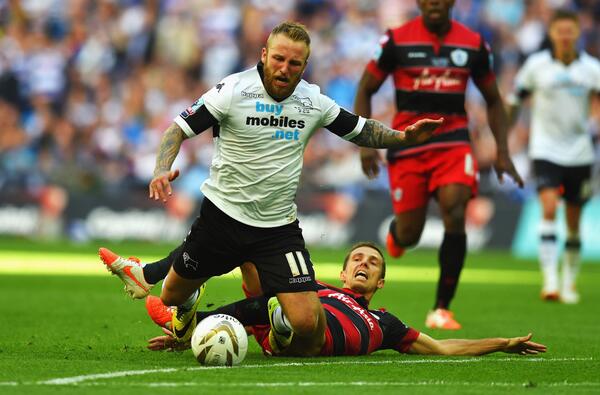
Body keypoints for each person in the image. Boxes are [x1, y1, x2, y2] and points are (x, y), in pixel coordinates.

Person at [99, 21, 443, 356]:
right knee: (171, 296)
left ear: (304, 66)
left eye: (294, 63)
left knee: (308, 322)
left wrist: (403, 137)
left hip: (277, 231)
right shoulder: (233, 89)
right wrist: (161, 168)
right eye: (278, 58)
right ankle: (183, 300)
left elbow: (360, 129)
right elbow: (178, 129)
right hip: (222, 218)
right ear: (264, 55)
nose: (284, 68)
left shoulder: (313, 102)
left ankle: (277, 320)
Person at [353, 0, 523, 330]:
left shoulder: (473, 43)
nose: (434, 3)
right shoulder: (396, 40)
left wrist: (502, 150)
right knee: (410, 233)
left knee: (455, 211)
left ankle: (442, 309)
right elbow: (365, 88)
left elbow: (493, 99)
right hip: (408, 143)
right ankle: (398, 238)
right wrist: (366, 142)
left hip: (454, 143)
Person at [145, 242, 547, 357]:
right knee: (255, 256)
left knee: (300, 309)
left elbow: (442, 347)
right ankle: (194, 318)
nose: (363, 264)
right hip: (296, 314)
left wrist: (502, 344)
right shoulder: (316, 287)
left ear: (381, 282)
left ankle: (274, 324)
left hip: (311, 335)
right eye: (356, 258)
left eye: (372, 263)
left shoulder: (386, 323)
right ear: (342, 272)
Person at [508, 9, 600, 304]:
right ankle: (549, 281)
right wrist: (503, 138)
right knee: (548, 207)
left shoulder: (591, 69)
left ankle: (569, 282)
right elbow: (515, 99)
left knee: (573, 221)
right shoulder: (537, 66)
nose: (564, 35)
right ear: (551, 33)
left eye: (569, 30)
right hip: (545, 149)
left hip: (580, 153)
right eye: (559, 30)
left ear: (577, 33)